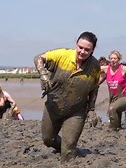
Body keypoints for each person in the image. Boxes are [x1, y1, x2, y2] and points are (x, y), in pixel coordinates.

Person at [33, 31, 100, 162]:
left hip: (76, 111)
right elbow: (38, 58)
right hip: (54, 106)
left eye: (87, 49)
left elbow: (94, 88)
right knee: (48, 139)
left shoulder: (94, 66)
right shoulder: (62, 55)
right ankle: (64, 146)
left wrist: (91, 110)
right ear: (76, 44)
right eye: (80, 47)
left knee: (68, 151)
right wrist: (43, 75)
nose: (82, 52)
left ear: (92, 50)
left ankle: (68, 149)